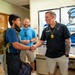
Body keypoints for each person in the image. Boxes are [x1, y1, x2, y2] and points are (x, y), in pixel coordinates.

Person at [32, 11, 71, 75]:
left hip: (61, 55)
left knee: (64, 73)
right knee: (50, 73)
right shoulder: (45, 29)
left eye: (47, 17)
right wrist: (34, 46)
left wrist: (66, 53)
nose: (45, 19)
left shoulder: (62, 27)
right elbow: (41, 41)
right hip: (50, 56)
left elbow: (68, 41)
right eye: (45, 17)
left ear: (52, 17)